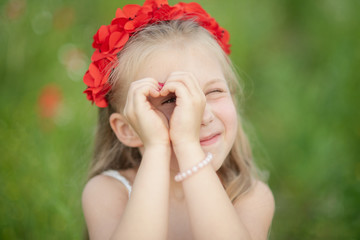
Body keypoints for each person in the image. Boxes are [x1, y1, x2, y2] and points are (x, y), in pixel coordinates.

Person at [81, 0, 275, 239]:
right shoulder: (109, 192)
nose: (202, 116)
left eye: (214, 92)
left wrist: (187, 145)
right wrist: (157, 147)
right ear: (128, 129)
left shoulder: (250, 196)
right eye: (172, 100)